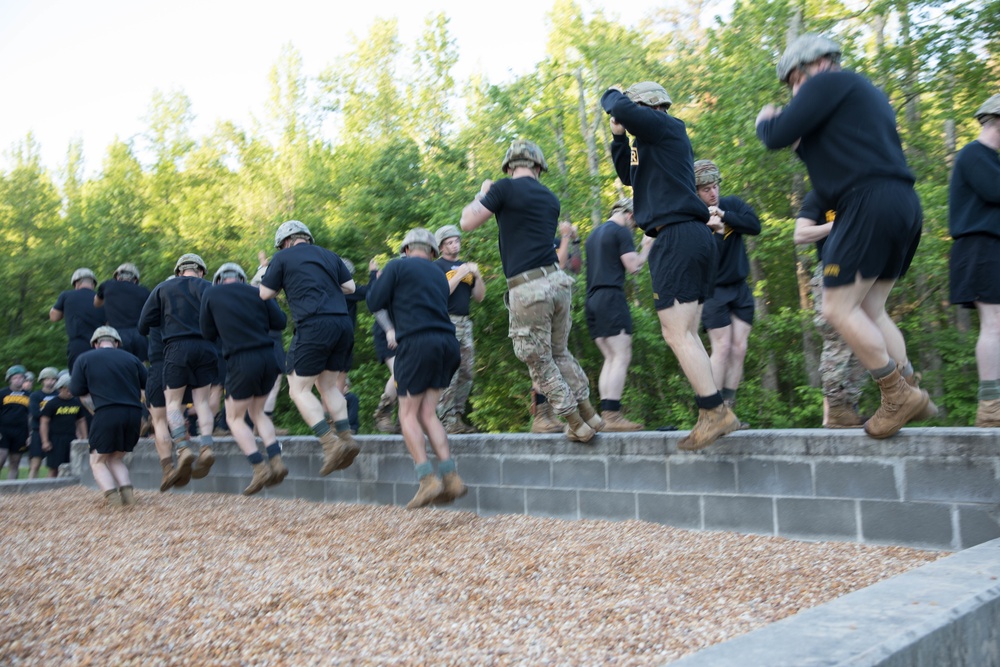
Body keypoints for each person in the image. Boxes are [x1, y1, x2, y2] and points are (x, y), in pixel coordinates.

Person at [756, 33, 932, 439]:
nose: (795, 93)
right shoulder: (867, 94)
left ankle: (896, 395)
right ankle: (911, 388)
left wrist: (768, 119)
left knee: (836, 308)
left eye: (792, 85)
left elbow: (774, 137)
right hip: (901, 202)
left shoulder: (826, 81)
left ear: (804, 69)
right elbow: (828, 157)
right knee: (871, 308)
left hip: (866, 202)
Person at [601, 82, 739, 450]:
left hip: (677, 236)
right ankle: (713, 410)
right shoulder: (648, 144)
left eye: (629, 113)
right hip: (686, 236)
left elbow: (622, 107)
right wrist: (618, 138)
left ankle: (715, 412)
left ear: (646, 107)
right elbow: (628, 177)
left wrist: (613, 95)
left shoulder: (665, 125)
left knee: (676, 333)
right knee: (688, 333)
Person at [461, 139, 602, 442]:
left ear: (509, 167)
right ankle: (590, 412)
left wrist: (483, 193)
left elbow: (467, 222)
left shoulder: (503, 188)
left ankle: (577, 424)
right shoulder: (550, 198)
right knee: (559, 352)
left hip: (528, 289)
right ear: (538, 167)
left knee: (538, 360)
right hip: (557, 282)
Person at [367, 227, 467, 509]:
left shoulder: (398, 266)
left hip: (417, 343)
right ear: (433, 251)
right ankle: (450, 477)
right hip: (447, 344)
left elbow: (374, 301)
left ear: (407, 249)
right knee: (427, 413)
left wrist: (379, 279)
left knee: (407, 413)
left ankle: (426, 479)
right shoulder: (438, 272)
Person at [258, 220, 359, 475]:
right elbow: (351, 287)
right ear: (307, 238)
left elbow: (264, 293)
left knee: (297, 389)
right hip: (342, 324)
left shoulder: (282, 258)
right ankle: (346, 439)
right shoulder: (329, 255)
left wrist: (268, 271)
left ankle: (330, 444)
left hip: (314, 324)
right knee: (327, 385)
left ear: (286, 242)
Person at [200, 262, 288, 495]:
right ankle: (276, 461)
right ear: (241, 278)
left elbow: (207, 333)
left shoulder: (211, 293)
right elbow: (280, 322)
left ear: (218, 279)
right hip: (268, 358)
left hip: (241, 359)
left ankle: (259, 467)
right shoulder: (258, 292)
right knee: (258, 413)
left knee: (234, 418)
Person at [138, 253, 218, 487]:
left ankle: (178, 454)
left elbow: (142, 325)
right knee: (200, 402)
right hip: (205, 349)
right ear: (201, 271)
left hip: (171, 355)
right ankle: (206, 446)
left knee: (164, 415)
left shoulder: (163, 290)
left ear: (178, 271)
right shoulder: (209, 288)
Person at [694, 160, 762, 425]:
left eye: (715, 186)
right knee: (721, 348)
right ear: (696, 192)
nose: (713, 193)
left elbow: (754, 226)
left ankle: (729, 410)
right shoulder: (694, 217)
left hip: (740, 288)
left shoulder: (731, 204)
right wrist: (712, 230)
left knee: (739, 348)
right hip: (713, 292)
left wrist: (723, 215)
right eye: (706, 189)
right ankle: (712, 412)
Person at [794, 192, 869, 428]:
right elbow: (800, 234)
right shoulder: (819, 195)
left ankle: (849, 408)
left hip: (865, 271)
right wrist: (834, 225)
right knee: (837, 337)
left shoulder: (865, 195)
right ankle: (836, 407)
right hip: (832, 270)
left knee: (865, 338)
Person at [949, 93, 1000, 427]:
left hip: (990, 247)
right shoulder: (973, 154)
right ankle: (990, 405)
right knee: (994, 323)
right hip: (979, 248)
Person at [584, 197, 652, 430]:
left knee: (611, 357)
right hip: (611, 298)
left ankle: (606, 414)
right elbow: (634, 267)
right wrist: (646, 247)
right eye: (635, 223)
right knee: (621, 356)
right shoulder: (621, 231)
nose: (634, 228)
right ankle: (612, 416)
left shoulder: (594, 235)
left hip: (592, 299)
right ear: (630, 215)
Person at [70, 326, 147, 507]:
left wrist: (95, 411)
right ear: (117, 343)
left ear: (95, 344)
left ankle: (113, 502)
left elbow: (77, 391)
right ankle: (129, 499)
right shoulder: (132, 359)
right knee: (115, 458)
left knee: (97, 460)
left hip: (107, 412)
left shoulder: (84, 359)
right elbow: (147, 386)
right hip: (133, 413)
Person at [433, 224, 485, 434]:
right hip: (446, 322)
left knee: (466, 371)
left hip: (465, 323)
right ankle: (444, 418)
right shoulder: (436, 267)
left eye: (457, 241)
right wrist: (459, 273)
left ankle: (456, 415)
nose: (455, 245)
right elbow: (441, 292)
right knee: (449, 371)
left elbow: (480, 297)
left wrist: (478, 275)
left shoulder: (467, 266)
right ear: (441, 246)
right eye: (450, 242)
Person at [50, 268, 106, 370]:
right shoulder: (103, 300)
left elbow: (54, 317)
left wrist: (66, 310)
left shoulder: (66, 296)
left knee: (78, 380)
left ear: (76, 283)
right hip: (100, 345)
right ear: (93, 284)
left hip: (77, 346)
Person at [94, 263, 151, 362]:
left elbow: (96, 304)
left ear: (117, 276)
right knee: (141, 368)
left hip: (118, 335)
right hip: (139, 336)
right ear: (135, 279)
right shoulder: (144, 291)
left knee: (120, 367)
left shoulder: (107, 286)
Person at [39, 373, 87, 478]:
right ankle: (49, 490)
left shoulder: (76, 403)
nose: (70, 393)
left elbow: (81, 420)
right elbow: (44, 422)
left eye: (72, 390)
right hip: (56, 438)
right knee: (54, 468)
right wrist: (45, 441)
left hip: (71, 437)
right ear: (60, 388)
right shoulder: (52, 404)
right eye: (67, 390)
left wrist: (84, 437)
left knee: (73, 466)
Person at [27, 367, 60, 478]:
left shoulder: (59, 395)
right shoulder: (36, 396)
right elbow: (35, 413)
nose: (51, 381)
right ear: (42, 380)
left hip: (55, 432)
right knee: (35, 464)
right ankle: (30, 489)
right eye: (47, 379)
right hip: (38, 432)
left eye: (53, 379)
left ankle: (49, 491)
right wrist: (53, 414)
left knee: (55, 466)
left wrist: (46, 413)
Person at [0, 365, 31, 479]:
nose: (18, 380)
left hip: (21, 432)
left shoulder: (29, 395)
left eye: (21, 377)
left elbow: (31, 416)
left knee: (15, 462)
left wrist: (30, 434)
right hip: (3, 431)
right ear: (10, 379)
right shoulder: (2, 393)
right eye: (15, 377)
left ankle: (11, 491)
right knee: (1, 458)